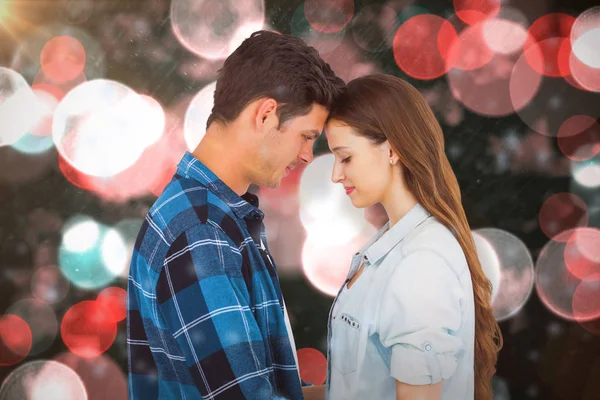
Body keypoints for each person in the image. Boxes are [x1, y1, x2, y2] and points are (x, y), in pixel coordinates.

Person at [127, 30, 345, 400]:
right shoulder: (201, 231)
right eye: (307, 135)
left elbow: (271, 387)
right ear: (266, 114)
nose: (308, 155)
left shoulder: (213, 215)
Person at [303, 74, 502, 400]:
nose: (336, 174)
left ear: (392, 150)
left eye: (346, 157)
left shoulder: (421, 262)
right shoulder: (393, 244)